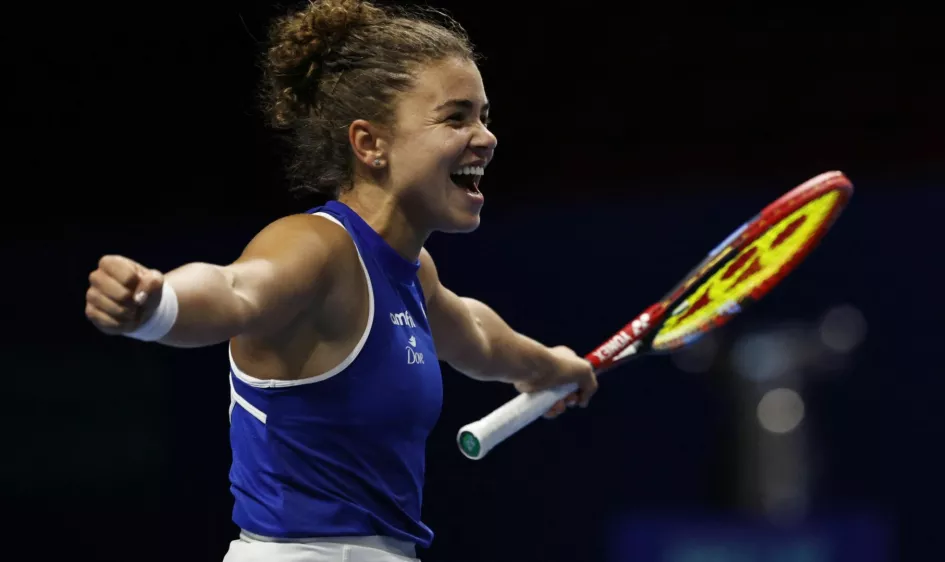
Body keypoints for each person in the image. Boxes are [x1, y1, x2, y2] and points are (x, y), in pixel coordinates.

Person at [83, 1, 598, 560]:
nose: (486, 137)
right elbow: (236, 291)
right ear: (369, 144)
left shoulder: (413, 274)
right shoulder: (317, 247)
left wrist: (549, 367)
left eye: (484, 116)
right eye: (456, 118)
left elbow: (473, 333)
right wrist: (156, 304)